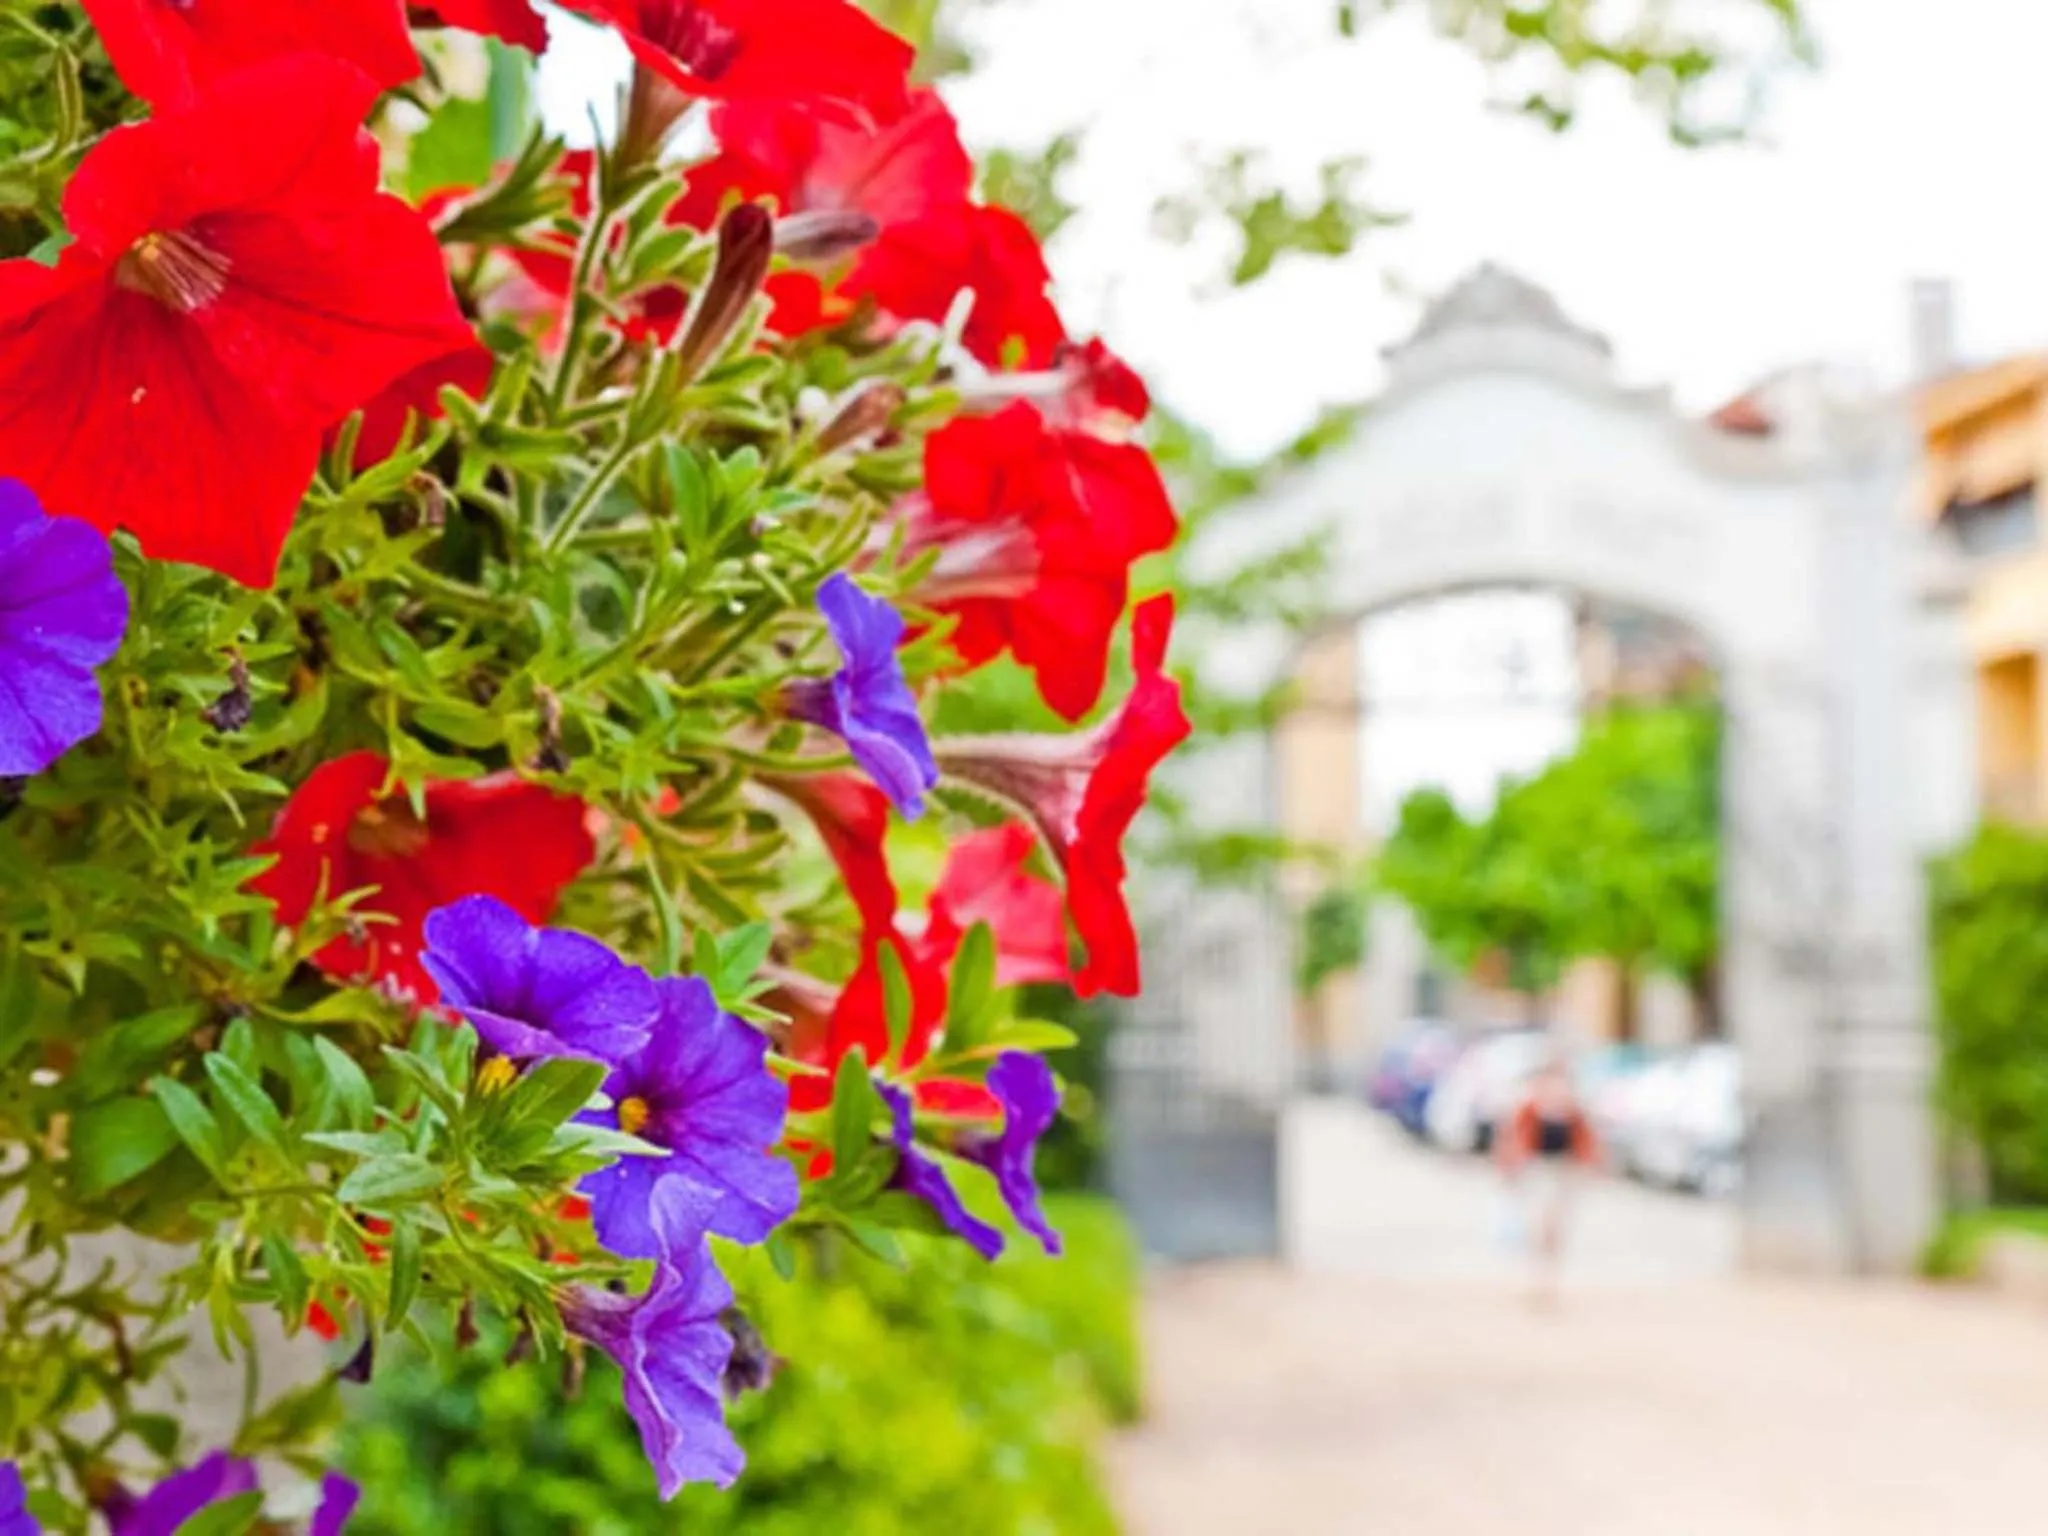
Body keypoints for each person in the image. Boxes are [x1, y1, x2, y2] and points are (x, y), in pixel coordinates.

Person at [1495, 1054, 1600, 1307]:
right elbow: (1513, 1137)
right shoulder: (1531, 1107)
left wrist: (1589, 1167)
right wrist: (1509, 1167)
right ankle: (1537, 1279)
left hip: (1563, 1172)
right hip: (1538, 1170)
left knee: (1555, 1228)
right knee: (1538, 1225)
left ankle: (1549, 1280)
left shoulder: (1573, 1110)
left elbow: (1586, 1142)